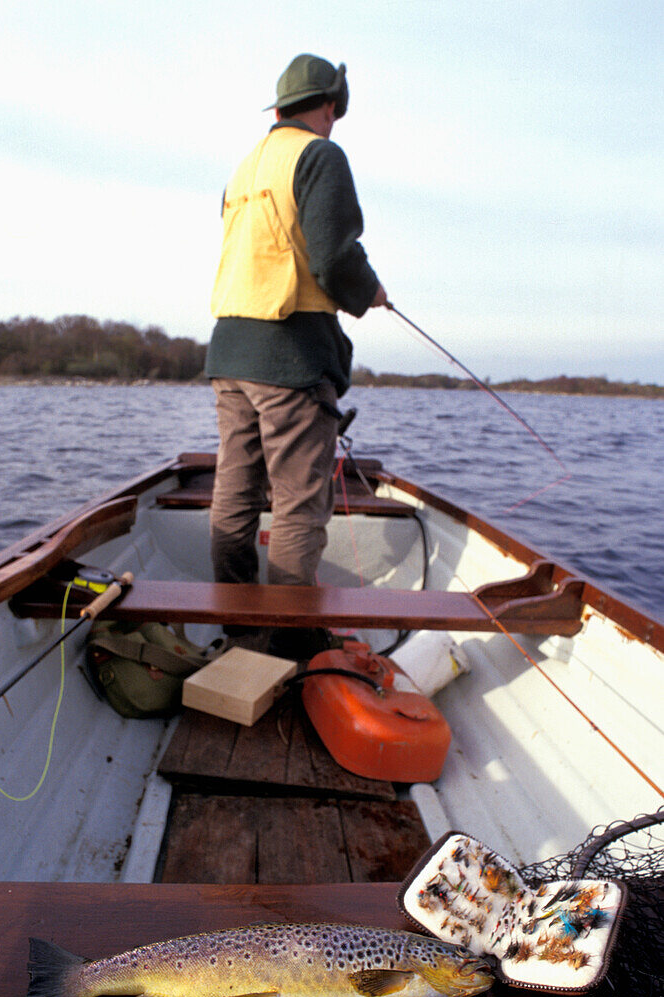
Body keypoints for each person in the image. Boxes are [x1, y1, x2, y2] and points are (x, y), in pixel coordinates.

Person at [205, 53, 387, 651]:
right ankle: (287, 646)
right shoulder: (321, 154)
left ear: (278, 108)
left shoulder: (242, 169)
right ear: (331, 105)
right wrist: (370, 290)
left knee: (234, 494)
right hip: (291, 358)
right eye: (337, 110)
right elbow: (333, 258)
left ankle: (237, 630)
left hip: (230, 356)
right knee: (299, 508)